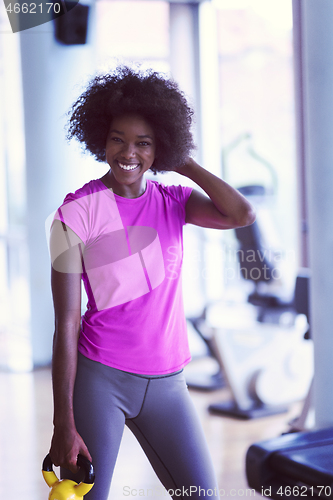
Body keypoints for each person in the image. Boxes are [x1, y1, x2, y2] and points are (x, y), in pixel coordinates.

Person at [48, 66, 255, 500]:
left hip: (169, 383)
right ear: (101, 139)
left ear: (160, 148)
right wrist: (62, 424)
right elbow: (66, 322)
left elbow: (241, 214)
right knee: (88, 497)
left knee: (201, 495)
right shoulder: (75, 214)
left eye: (144, 143)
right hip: (101, 379)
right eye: (118, 138)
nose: (129, 152)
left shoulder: (174, 201)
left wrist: (186, 164)